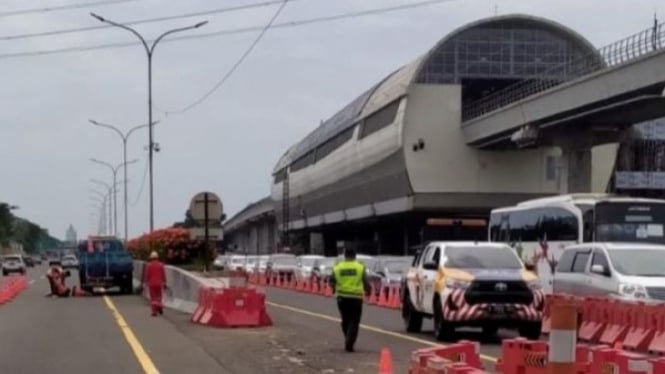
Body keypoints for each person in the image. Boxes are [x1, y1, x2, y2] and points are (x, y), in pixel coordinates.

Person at [330, 247, 370, 352]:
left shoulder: (338, 267)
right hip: (356, 298)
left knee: (345, 320)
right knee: (354, 321)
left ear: (345, 255)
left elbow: (332, 281)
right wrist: (368, 291)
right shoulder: (360, 267)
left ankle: (348, 337)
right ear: (355, 255)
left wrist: (333, 289)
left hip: (342, 298)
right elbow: (366, 281)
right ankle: (350, 342)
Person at [144, 251, 167, 316]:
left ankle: (154, 311)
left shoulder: (149, 265)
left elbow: (147, 275)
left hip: (151, 284)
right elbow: (163, 275)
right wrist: (164, 282)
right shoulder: (161, 265)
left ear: (151, 258)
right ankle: (159, 306)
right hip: (159, 283)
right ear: (157, 257)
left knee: (153, 298)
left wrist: (145, 283)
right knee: (159, 296)